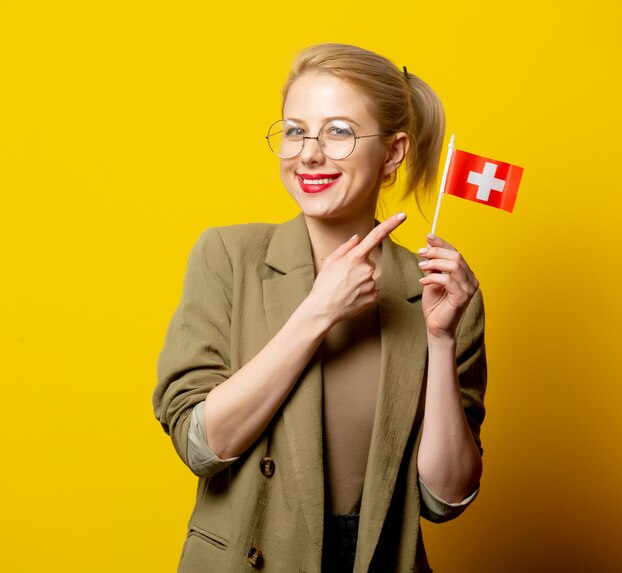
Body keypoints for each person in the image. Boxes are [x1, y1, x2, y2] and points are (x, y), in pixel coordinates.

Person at [153, 43, 487, 573]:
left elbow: (445, 498)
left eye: (337, 131)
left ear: (394, 153)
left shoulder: (439, 290)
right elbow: (199, 444)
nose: (308, 153)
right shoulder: (228, 256)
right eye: (294, 130)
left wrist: (442, 340)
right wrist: (316, 313)